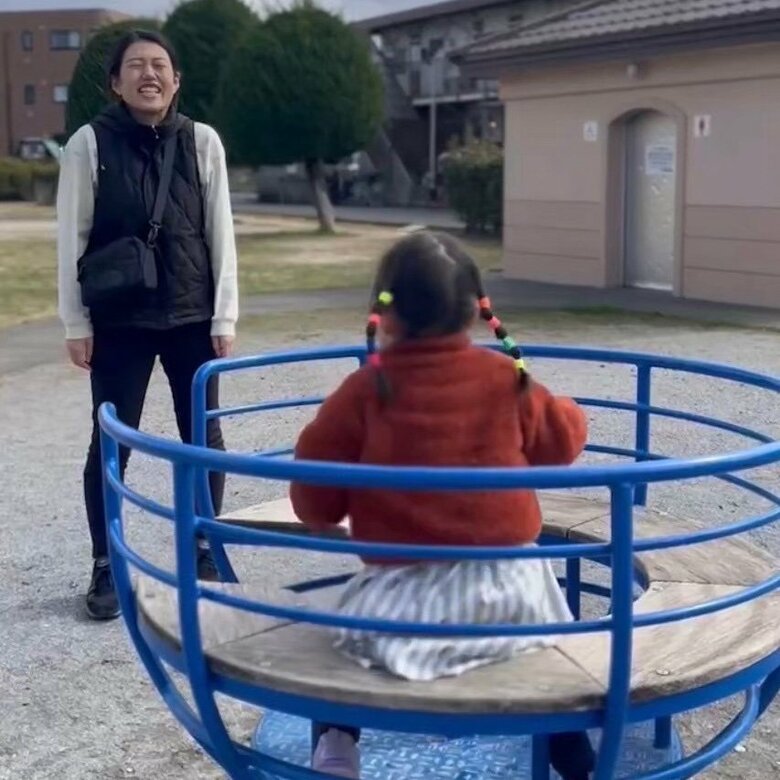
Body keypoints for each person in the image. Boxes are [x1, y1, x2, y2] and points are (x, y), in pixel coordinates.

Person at [290, 231, 595, 779]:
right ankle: (576, 758)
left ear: (386, 312)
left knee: (340, 641)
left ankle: (337, 745)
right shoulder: (510, 379)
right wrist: (566, 408)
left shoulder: (367, 389)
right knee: (553, 661)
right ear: (476, 312)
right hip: (514, 602)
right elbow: (561, 442)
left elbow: (314, 499)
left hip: (404, 611)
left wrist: (334, 504)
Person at [57, 30, 238, 621]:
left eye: (160, 65)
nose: (149, 74)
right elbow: (71, 239)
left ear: (177, 80)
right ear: (115, 83)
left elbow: (221, 234)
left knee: (203, 440)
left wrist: (225, 314)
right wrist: (74, 321)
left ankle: (206, 547)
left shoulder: (202, 141)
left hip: (192, 315)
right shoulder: (89, 143)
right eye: (135, 66)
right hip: (120, 320)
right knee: (110, 443)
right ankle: (106, 564)